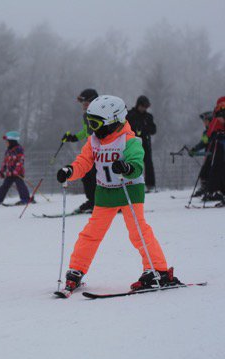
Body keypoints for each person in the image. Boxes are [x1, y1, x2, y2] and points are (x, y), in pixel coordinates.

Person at [56, 95, 180, 293]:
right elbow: (83, 162)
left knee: (138, 232)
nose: (92, 128)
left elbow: (137, 165)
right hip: (105, 193)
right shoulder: (94, 141)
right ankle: (76, 270)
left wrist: (127, 167)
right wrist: (70, 172)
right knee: (91, 234)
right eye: (90, 122)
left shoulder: (129, 140)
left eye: (95, 123)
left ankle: (158, 270)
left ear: (112, 121)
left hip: (130, 191)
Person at [61, 88, 98, 213]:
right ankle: (92, 201)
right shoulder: (86, 116)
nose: (83, 106)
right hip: (91, 150)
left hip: (103, 150)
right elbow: (86, 132)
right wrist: (73, 138)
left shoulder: (100, 114)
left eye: (86, 103)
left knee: (98, 177)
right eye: (82, 104)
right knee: (87, 176)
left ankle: (112, 202)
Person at [0, 131, 30, 207]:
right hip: (9, 173)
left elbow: (21, 160)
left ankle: (25, 199)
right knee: (4, 186)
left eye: (7, 142)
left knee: (20, 186)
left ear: (12, 142)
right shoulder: (8, 151)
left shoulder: (19, 149)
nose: (6, 143)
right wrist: (2, 171)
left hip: (18, 173)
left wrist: (16, 170)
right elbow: (5, 162)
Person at [126, 95, 157, 191]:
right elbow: (125, 128)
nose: (144, 109)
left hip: (145, 144)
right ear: (138, 105)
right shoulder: (130, 115)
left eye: (146, 107)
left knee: (148, 163)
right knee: (132, 163)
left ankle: (150, 185)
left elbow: (153, 130)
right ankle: (131, 184)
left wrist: (145, 128)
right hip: (132, 143)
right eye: (143, 106)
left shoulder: (148, 117)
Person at [205, 97, 225, 206]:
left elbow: (210, 132)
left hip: (220, 145)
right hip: (220, 145)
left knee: (219, 168)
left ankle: (214, 190)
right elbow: (211, 132)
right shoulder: (218, 115)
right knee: (219, 168)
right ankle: (217, 191)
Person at [189, 111, 213, 198]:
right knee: (204, 171)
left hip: (216, 156)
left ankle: (211, 188)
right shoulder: (206, 133)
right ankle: (204, 187)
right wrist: (194, 149)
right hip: (208, 156)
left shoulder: (216, 131)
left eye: (205, 121)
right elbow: (203, 143)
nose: (204, 123)